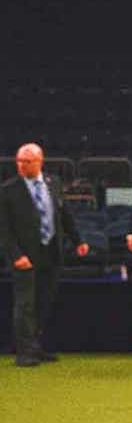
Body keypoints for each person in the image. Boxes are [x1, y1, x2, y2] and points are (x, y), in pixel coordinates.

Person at [0, 144, 88, 366]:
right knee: (25, 303)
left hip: (50, 251)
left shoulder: (53, 183)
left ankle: (35, 346)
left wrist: (78, 240)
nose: (22, 165)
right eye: (19, 161)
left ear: (40, 161)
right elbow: (4, 229)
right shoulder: (8, 190)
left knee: (43, 301)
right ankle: (23, 352)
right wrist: (15, 255)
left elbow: (63, 213)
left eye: (27, 161)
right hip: (25, 255)